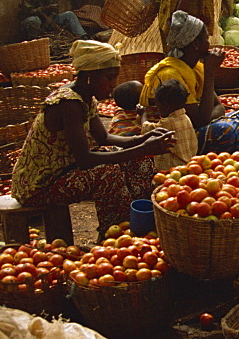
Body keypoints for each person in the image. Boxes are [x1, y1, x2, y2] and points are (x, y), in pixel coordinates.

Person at [11, 40, 173, 237]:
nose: (113, 85)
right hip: (39, 185)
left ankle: (142, 221)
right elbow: (85, 159)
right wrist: (144, 147)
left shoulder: (86, 98)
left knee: (136, 161)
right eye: (109, 78)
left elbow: (104, 138)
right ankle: (114, 236)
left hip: (65, 170)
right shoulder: (68, 104)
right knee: (108, 173)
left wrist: (143, 139)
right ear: (90, 75)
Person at [141, 11, 239, 154]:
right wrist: (210, 73)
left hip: (193, 126)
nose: (209, 43)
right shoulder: (170, 74)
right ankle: (221, 168)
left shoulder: (195, 67)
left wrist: (208, 116)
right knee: (225, 130)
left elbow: (217, 106)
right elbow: (199, 121)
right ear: (196, 43)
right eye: (206, 39)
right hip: (173, 137)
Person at [140, 79, 197, 171]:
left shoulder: (167, 122)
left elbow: (147, 129)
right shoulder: (186, 118)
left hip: (171, 168)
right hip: (188, 164)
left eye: (158, 107)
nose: (157, 110)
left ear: (166, 106)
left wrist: (142, 114)